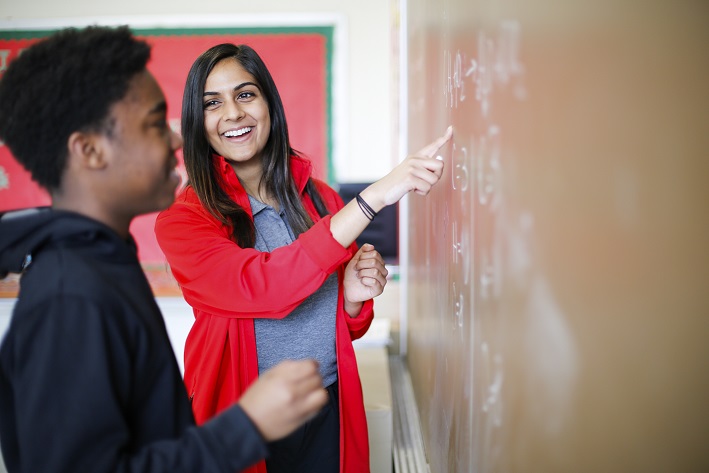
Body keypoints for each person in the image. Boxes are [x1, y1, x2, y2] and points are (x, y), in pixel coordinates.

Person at [0, 26, 328, 473]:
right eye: (156, 124)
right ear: (90, 150)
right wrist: (246, 427)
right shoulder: (70, 296)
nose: (178, 140)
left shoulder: (104, 263)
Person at [154, 43, 452, 473]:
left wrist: (351, 298)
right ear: (197, 123)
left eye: (245, 94)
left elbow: (340, 327)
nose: (233, 114)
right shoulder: (184, 220)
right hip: (240, 419)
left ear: (268, 103)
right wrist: (375, 197)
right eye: (212, 103)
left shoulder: (320, 198)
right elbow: (266, 287)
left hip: (325, 405)